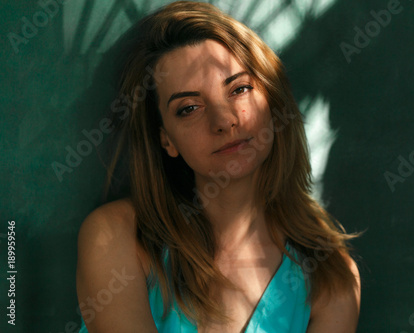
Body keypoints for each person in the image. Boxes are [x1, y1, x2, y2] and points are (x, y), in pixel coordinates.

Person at [76, 1, 360, 332]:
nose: (224, 120)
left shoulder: (330, 275)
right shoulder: (116, 235)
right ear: (166, 139)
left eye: (239, 89)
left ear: (271, 100)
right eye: (189, 108)